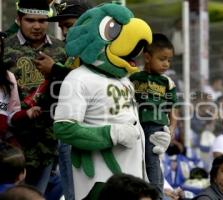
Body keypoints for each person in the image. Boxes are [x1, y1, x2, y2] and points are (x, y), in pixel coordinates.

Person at [53, 3, 167, 199]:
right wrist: (112, 134)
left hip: (132, 177)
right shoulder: (78, 78)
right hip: (98, 182)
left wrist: (153, 139)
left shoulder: (124, 80)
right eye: (113, 29)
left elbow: (128, 121)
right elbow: (64, 129)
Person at [3, 0, 67, 194]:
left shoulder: (61, 50)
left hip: (48, 142)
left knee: (37, 194)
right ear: (19, 19)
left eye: (42, 20)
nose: (37, 26)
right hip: (11, 144)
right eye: (30, 20)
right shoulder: (5, 47)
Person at [36, 1, 92, 199]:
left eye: (69, 25)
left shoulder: (99, 51)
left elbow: (91, 82)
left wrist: (55, 69)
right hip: (63, 134)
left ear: (87, 21)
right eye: (61, 27)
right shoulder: (72, 52)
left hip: (85, 134)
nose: (65, 32)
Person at [129, 33, 177, 199]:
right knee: (137, 163)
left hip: (156, 127)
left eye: (169, 60)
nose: (166, 64)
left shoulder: (167, 82)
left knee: (152, 162)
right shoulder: (133, 77)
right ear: (147, 57)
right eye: (162, 59)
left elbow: (173, 109)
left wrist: (171, 129)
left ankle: (156, 195)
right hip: (135, 126)